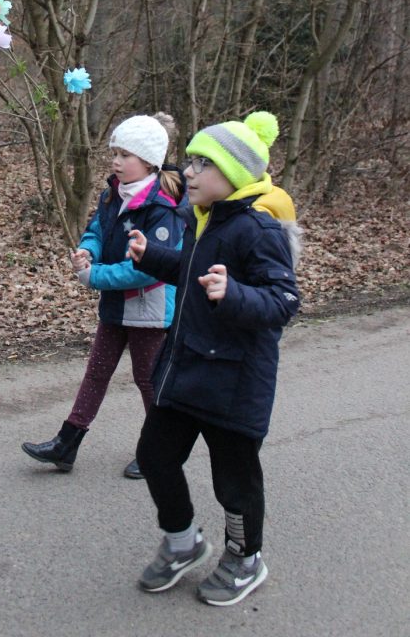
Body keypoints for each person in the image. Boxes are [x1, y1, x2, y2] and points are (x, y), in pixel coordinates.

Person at [127, 111, 300, 606]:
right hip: (185, 369)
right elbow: (191, 272)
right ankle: (183, 541)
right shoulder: (202, 219)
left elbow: (285, 301)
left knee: (234, 483)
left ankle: (245, 558)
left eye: (203, 163)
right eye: (190, 161)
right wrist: (152, 256)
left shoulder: (258, 230)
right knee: (155, 457)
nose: (190, 172)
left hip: (235, 383)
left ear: (235, 172)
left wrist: (235, 293)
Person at [22, 113, 186, 479]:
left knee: (148, 380)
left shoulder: (165, 208)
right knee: (96, 373)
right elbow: (96, 229)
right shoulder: (113, 192)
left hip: (149, 309)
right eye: (114, 153)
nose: (116, 161)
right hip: (115, 303)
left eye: (125, 155)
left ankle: (159, 450)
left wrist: (95, 276)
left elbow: (149, 267)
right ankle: (66, 444)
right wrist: (87, 251)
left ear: (149, 161)